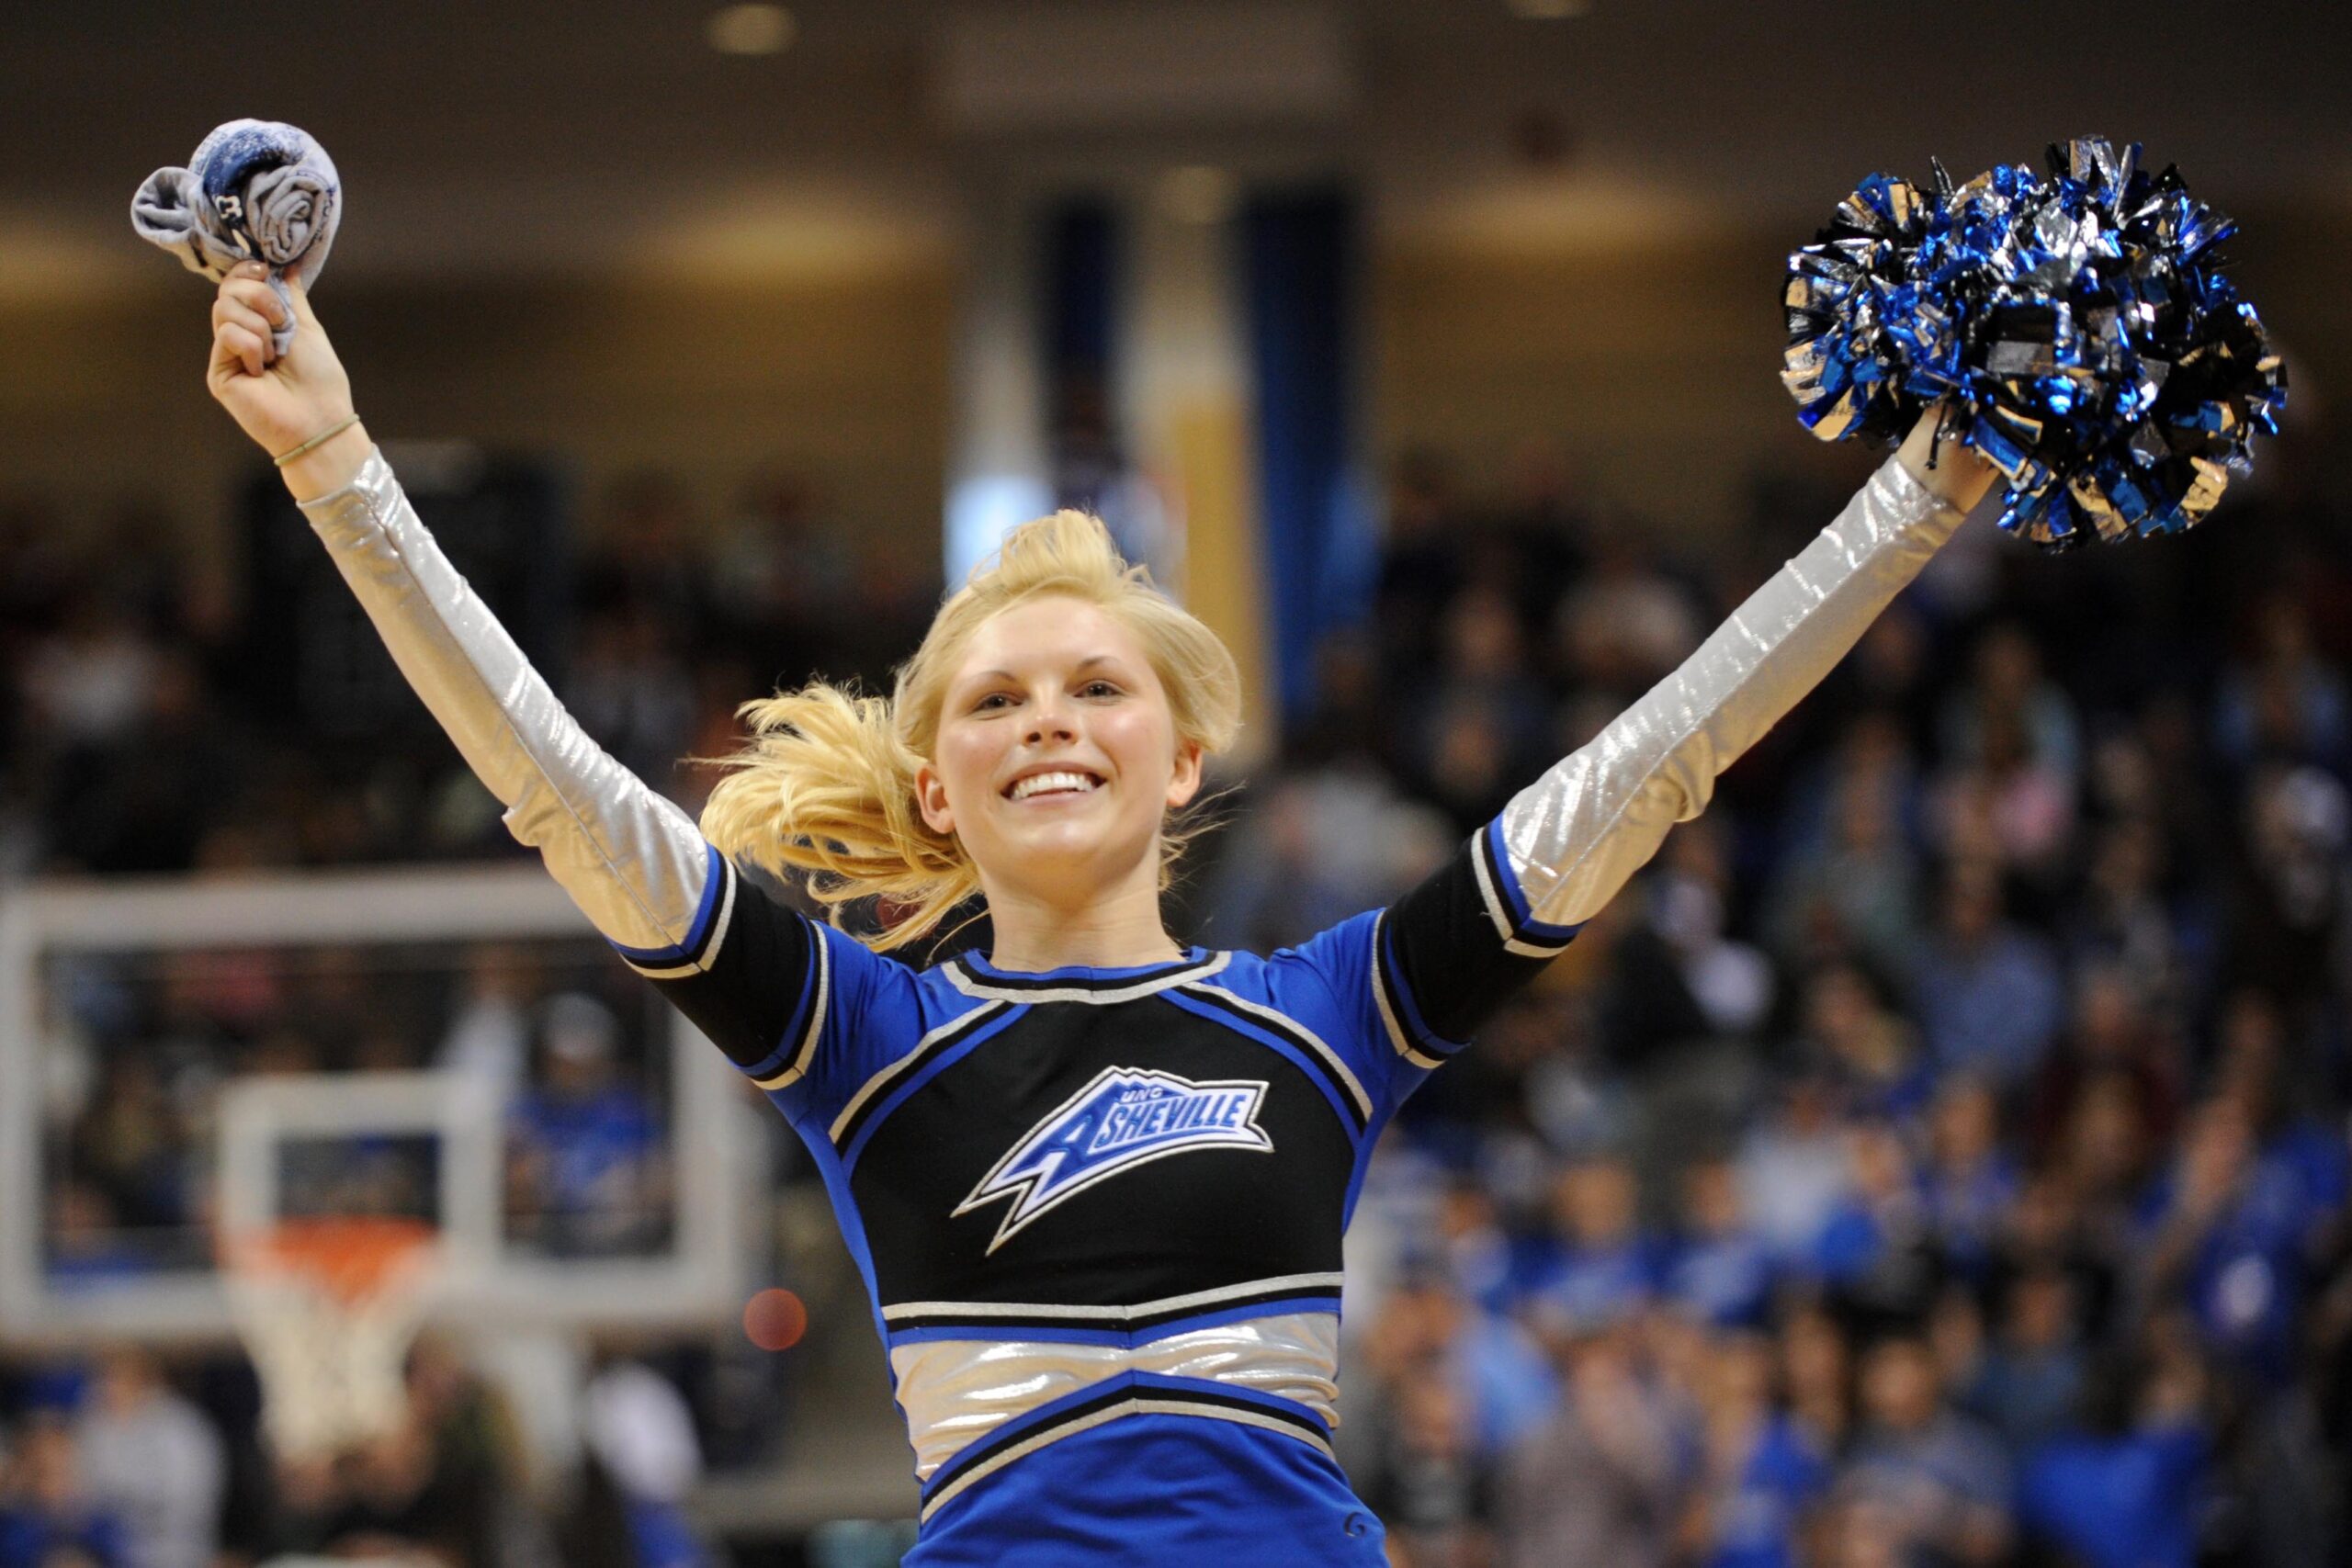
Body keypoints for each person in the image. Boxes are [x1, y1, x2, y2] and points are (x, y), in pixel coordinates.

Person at [198, 254, 1995, 1565]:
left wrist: (1905, 509)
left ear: (1186, 754)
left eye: (1093, 686)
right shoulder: (864, 1036)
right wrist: (340, 466)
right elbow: (559, 793)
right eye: (990, 699)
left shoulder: (1327, 1009)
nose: (1044, 717)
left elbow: (1655, 762)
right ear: (933, 789)